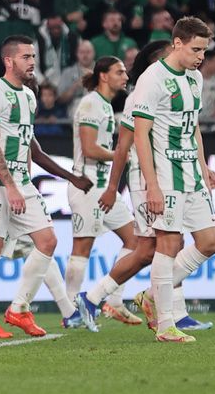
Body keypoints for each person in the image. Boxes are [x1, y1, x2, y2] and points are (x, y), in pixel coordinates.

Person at [81, 40, 215, 334]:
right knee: (151, 249)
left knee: (164, 246)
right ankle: (95, 297)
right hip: (147, 180)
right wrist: (113, 186)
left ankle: (172, 310)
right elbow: (124, 146)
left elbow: (188, 130)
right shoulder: (140, 96)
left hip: (174, 173)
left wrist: (202, 166)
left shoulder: (182, 85)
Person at [127, 17, 215, 343]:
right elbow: (141, 135)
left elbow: (192, 126)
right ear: (177, 43)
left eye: (204, 50)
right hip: (165, 175)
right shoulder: (152, 79)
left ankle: (152, 295)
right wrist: (151, 184)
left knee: (210, 243)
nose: (200, 57)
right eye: (195, 49)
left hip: (191, 174)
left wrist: (203, 165)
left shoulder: (194, 77)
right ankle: (166, 325)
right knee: (167, 245)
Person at [0, 35, 58, 339]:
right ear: (8, 61)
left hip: (21, 182)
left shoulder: (29, 96)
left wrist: (25, 182)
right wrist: (10, 186)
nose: (32, 62)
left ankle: (19, 308)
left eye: (33, 56)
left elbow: (25, 145)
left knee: (47, 240)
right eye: (25, 57)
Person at [66, 56, 142, 330]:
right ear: (103, 76)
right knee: (82, 248)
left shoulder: (106, 106)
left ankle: (114, 300)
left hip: (102, 187)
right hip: (86, 186)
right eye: (119, 72)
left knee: (136, 239)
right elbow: (89, 149)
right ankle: (71, 309)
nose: (125, 76)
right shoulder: (90, 104)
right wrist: (122, 155)